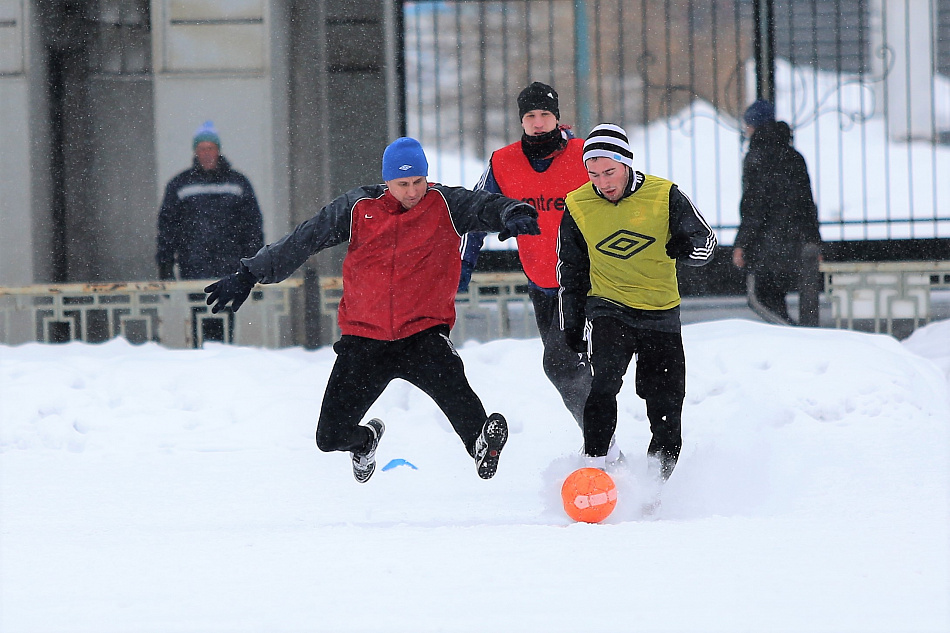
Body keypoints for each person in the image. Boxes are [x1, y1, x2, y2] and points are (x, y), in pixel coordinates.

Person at [205, 137, 540, 483]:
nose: (412, 192)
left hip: (422, 333)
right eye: (403, 184)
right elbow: (305, 238)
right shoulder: (358, 207)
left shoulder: (446, 203)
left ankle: (480, 444)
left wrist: (512, 212)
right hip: (364, 340)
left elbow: (485, 205)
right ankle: (365, 442)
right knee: (329, 437)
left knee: (453, 385)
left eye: (418, 182)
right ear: (387, 181)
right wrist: (250, 273)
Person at [557, 124, 717, 479]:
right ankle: (593, 471)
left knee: (665, 405)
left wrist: (686, 248)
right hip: (609, 308)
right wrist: (571, 321)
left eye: (609, 171)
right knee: (603, 385)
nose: (603, 182)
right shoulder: (578, 205)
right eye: (593, 174)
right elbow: (571, 270)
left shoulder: (664, 195)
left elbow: (706, 242)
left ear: (626, 163)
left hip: (660, 314)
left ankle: (655, 486)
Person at [458, 81, 593, 429]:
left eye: (545, 114)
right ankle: (602, 439)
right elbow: (477, 212)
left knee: (562, 364)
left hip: (586, 282)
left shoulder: (583, 156)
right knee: (565, 370)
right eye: (530, 115)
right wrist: (462, 268)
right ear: (521, 120)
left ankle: (601, 441)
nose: (537, 122)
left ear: (557, 117)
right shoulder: (503, 162)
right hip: (542, 284)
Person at [733, 100, 821, 325]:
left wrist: (742, 243)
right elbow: (807, 205)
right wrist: (813, 241)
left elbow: (753, 206)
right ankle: (799, 336)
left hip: (766, 246)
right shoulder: (794, 157)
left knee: (761, 300)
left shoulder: (756, 158)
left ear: (753, 126)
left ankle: (792, 338)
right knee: (792, 304)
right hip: (796, 244)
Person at [157, 121, 264, 280]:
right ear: (195, 152)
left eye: (210, 148)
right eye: (201, 149)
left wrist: (255, 268)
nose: (206, 154)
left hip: (231, 267)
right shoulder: (180, 185)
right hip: (193, 268)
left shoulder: (238, 184)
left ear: (218, 150)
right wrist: (165, 266)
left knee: (227, 305)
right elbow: (168, 228)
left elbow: (252, 227)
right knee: (200, 304)